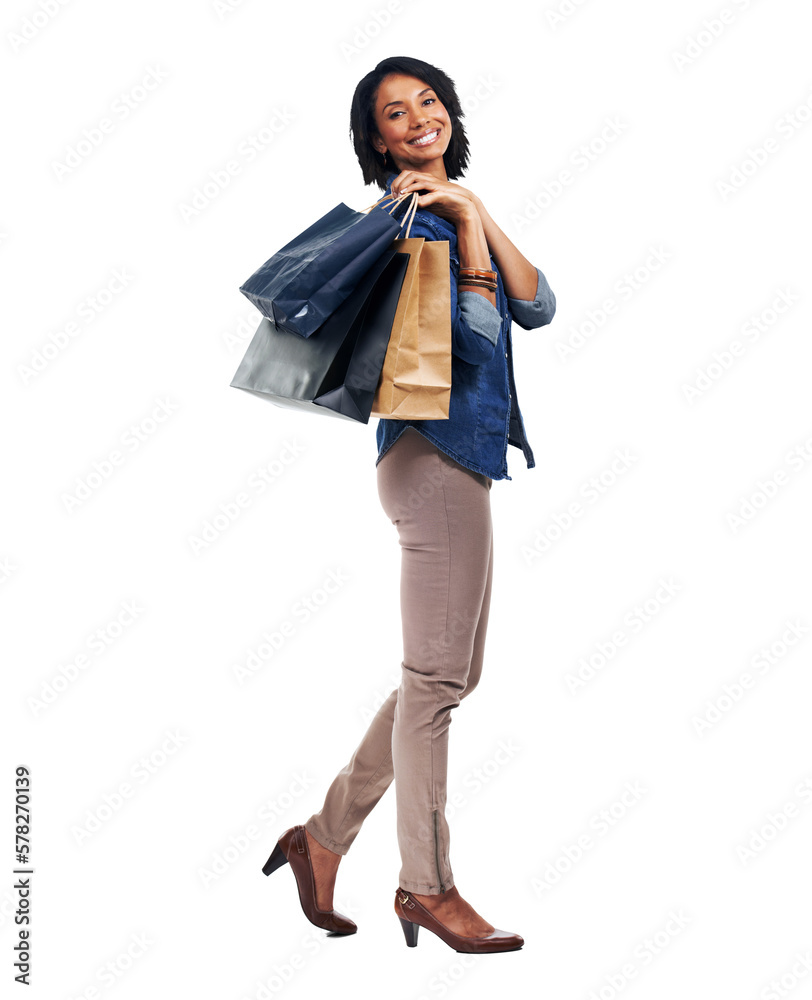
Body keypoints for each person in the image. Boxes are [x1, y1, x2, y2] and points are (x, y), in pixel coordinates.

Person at [261, 56, 556, 954]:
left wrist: (473, 206)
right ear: (377, 140)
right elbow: (469, 343)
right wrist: (455, 217)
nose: (419, 118)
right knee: (435, 684)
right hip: (431, 460)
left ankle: (322, 837)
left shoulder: (450, 207)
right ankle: (427, 888)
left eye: (428, 101)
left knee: (450, 677)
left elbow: (538, 305)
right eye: (396, 113)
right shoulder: (409, 225)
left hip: (453, 463)